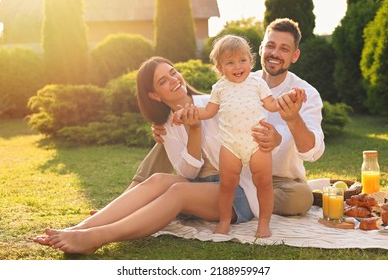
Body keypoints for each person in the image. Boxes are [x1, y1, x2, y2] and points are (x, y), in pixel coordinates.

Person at [33, 57, 259, 254]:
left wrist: (196, 128)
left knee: (179, 190)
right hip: (203, 187)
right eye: (163, 81)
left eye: (173, 72)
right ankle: (79, 228)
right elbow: (188, 172)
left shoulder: (216, 105)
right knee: (159, 180)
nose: (173, 80)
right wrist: (192, 132)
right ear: (154, 95)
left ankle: (95, 238)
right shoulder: (166, 126)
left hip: (239, 192)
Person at [128, 17, 325, 217]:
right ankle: (133, 194)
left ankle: (230, 201)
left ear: (295, 55)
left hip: (280, 179)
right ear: (260, 49)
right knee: (169, 130)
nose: (275, 53)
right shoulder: (239, 76)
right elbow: (207, 107)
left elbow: (313, 153)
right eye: (271, 46)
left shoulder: (306, 94)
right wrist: (169, 124)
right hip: (239, 168)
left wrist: (292, 121)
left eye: (284, 49)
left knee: (301, 198)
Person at [173, 34, 306, 236]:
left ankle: (264, 223)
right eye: (230, 62)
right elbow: (208, 112)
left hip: (256, 143)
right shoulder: (219, 89)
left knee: (264, 182)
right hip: (230, 145)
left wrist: (289, 97)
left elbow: (272, 104)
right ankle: (225, 221)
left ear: (251, 61)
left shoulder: (257, 84)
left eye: (242, 60)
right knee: (227, 185)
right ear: (219, 68)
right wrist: (185, 112)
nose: (238, 67)